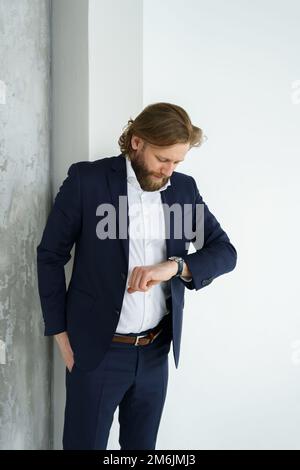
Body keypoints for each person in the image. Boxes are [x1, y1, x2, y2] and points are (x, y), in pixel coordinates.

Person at [36, 102, 237, 450]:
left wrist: (174, 266)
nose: (169, 170)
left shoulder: (183, 190)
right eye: (163, 159)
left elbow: (224, 251)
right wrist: (58, 331)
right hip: (98, 353)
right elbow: (50, 256)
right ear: (137, 142)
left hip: (156, 352)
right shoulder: (87, 181)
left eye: (177, 162)